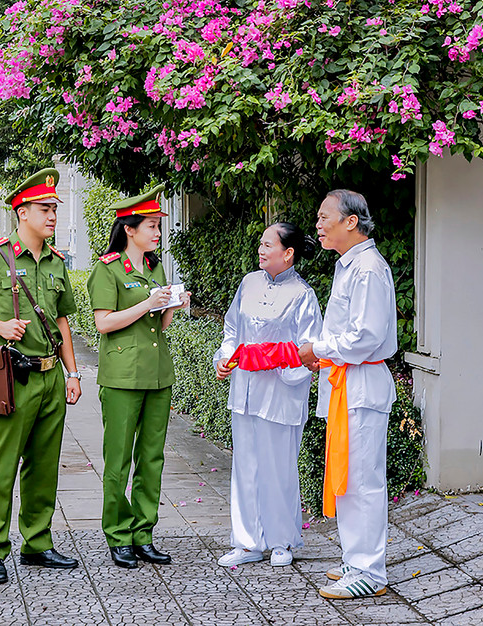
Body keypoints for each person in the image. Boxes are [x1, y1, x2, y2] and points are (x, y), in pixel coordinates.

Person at [0, 168, 83, 584]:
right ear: (21, 212)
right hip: (12, 378)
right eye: (44, 209)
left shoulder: (56, 262)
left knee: (44, 465)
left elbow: (61, 321)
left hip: (50, 377)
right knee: (2, 464)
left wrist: (72, 372)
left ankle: (37, 543)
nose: (52, 216)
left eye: (55, 209)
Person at [298, 189, 397, 599]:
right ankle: (355, 560)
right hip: (346, 383)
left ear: (351, 221)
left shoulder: (368, 268)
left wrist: (319, 349)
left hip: (361, 385)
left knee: (362, 482)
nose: (318, 225)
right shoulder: (349, 266)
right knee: (348, 479)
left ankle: (369, 571)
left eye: (325, 218)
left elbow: (366, 335)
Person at [87, 184, 191, 569]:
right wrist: (147, 302)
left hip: (158, 375)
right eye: (151, 226)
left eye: (158, 227)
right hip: (121, 379)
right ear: (129, 229)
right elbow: (103, 323)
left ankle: (144, 534)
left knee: (152, 459)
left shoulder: (154, 265)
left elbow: (158, 325)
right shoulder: (107, 268)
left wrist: (173, 305)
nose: (157, 234)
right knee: (118, 461)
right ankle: (118, 535)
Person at [212, 223, 323, 568]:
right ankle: (246, 542)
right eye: (260, 244)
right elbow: (232, 328)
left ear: (288, 253)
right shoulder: (248, 283)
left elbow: (311, 349)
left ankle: (281, 540)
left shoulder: (303, 295)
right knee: (245, 466)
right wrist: (224, 358)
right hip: (244, 389)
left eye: (267, 245)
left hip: (280, 392)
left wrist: (276, 358)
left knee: (278, 468)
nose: (260, 250)